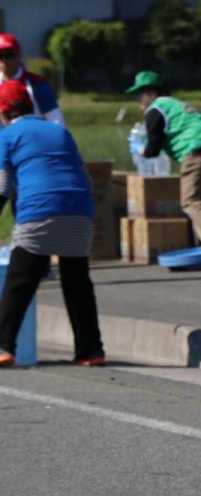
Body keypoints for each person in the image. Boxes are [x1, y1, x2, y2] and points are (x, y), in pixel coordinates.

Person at [0, 80, 104, 367]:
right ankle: (91, 351)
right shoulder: (60, 131)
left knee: (20, 281)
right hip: (79, 209)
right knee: (77, 283)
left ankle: (4, 346)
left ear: (3, 110)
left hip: (39, 210)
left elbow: (2, 186)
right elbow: (87, 179)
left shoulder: (7, 135)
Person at [125, 71, 201, 246]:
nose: (139, 100)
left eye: (140, 94)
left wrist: (139, 148)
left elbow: (153, 149)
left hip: (197, 148)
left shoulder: (155, 109)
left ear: (151, 93)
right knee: (200, 200)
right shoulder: (173, 104)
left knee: (190, 201)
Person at [0, 33, 64, 126]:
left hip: (31, 138)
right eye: (0, 55)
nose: (4, 60)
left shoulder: (37, 84)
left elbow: (56, 122)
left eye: (9, 54)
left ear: (18, 55)